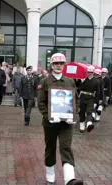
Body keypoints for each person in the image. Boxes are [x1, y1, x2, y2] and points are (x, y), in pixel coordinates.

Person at [38, 53, 83, 185]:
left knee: (66, 147)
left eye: (61, 63)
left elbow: (76, 100)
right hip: (50, 123)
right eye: (56, 63)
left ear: (64, 65)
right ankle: (50, 177)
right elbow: (40, 102)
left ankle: (69, 179)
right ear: (52, 65)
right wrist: (49, 117)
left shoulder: (70, 81)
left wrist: (74, 116)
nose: (59, 66)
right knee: (50, 148)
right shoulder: (44, 81)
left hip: (66, 123)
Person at [78, 66, 100, 133]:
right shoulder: (83, 80)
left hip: (91, 98)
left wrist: (96, 101)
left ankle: (89, 124)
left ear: (93, 73)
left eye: (91, 72)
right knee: (82, 112)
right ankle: (82, 125)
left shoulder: (96, 81)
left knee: (89, 112)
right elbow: (79, 89)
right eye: (88, 72)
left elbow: (98, 92)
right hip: (83, 97)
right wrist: (81, 82)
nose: (90, 73)